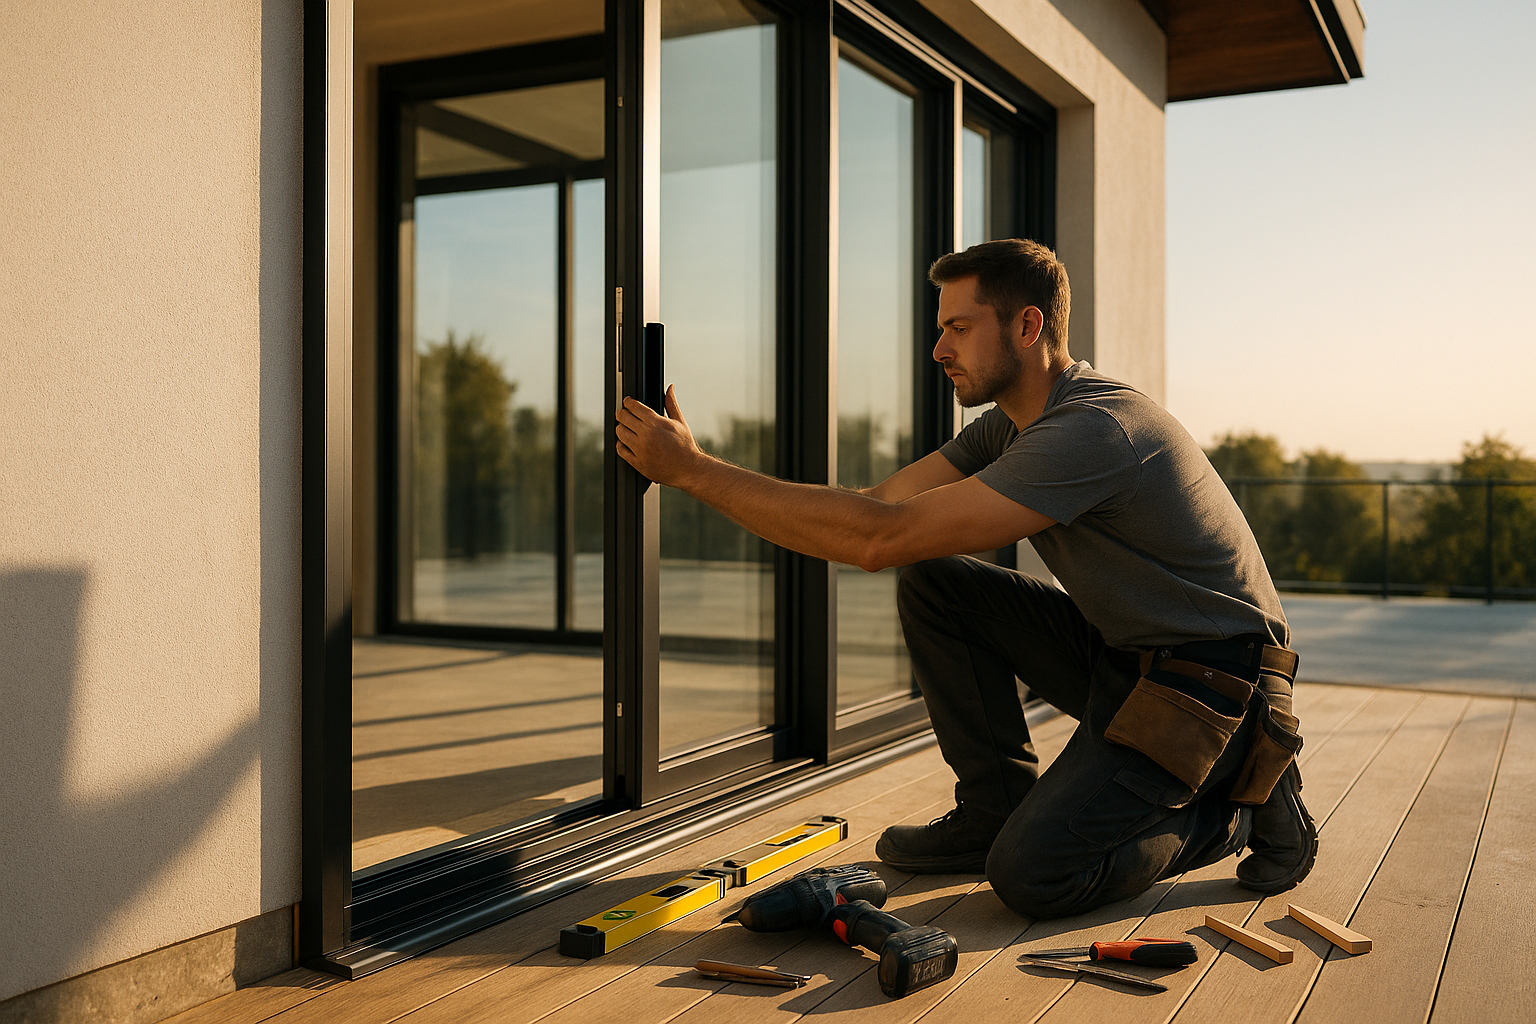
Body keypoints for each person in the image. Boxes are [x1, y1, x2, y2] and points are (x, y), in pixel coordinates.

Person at [615, 238, 1315, 919]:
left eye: (958, 327)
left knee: (1033, 875)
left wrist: (695, 473)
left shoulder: (1093, 429)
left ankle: (1227, 808)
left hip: (1216, 686)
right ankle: (992, 810)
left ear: (1027, 325)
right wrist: (702, 469)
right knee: (937, 581)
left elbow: (876, 540)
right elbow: (882, 507)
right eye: (940, 328)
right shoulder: (1010, 427)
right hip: (1125, 657)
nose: (938, 349)